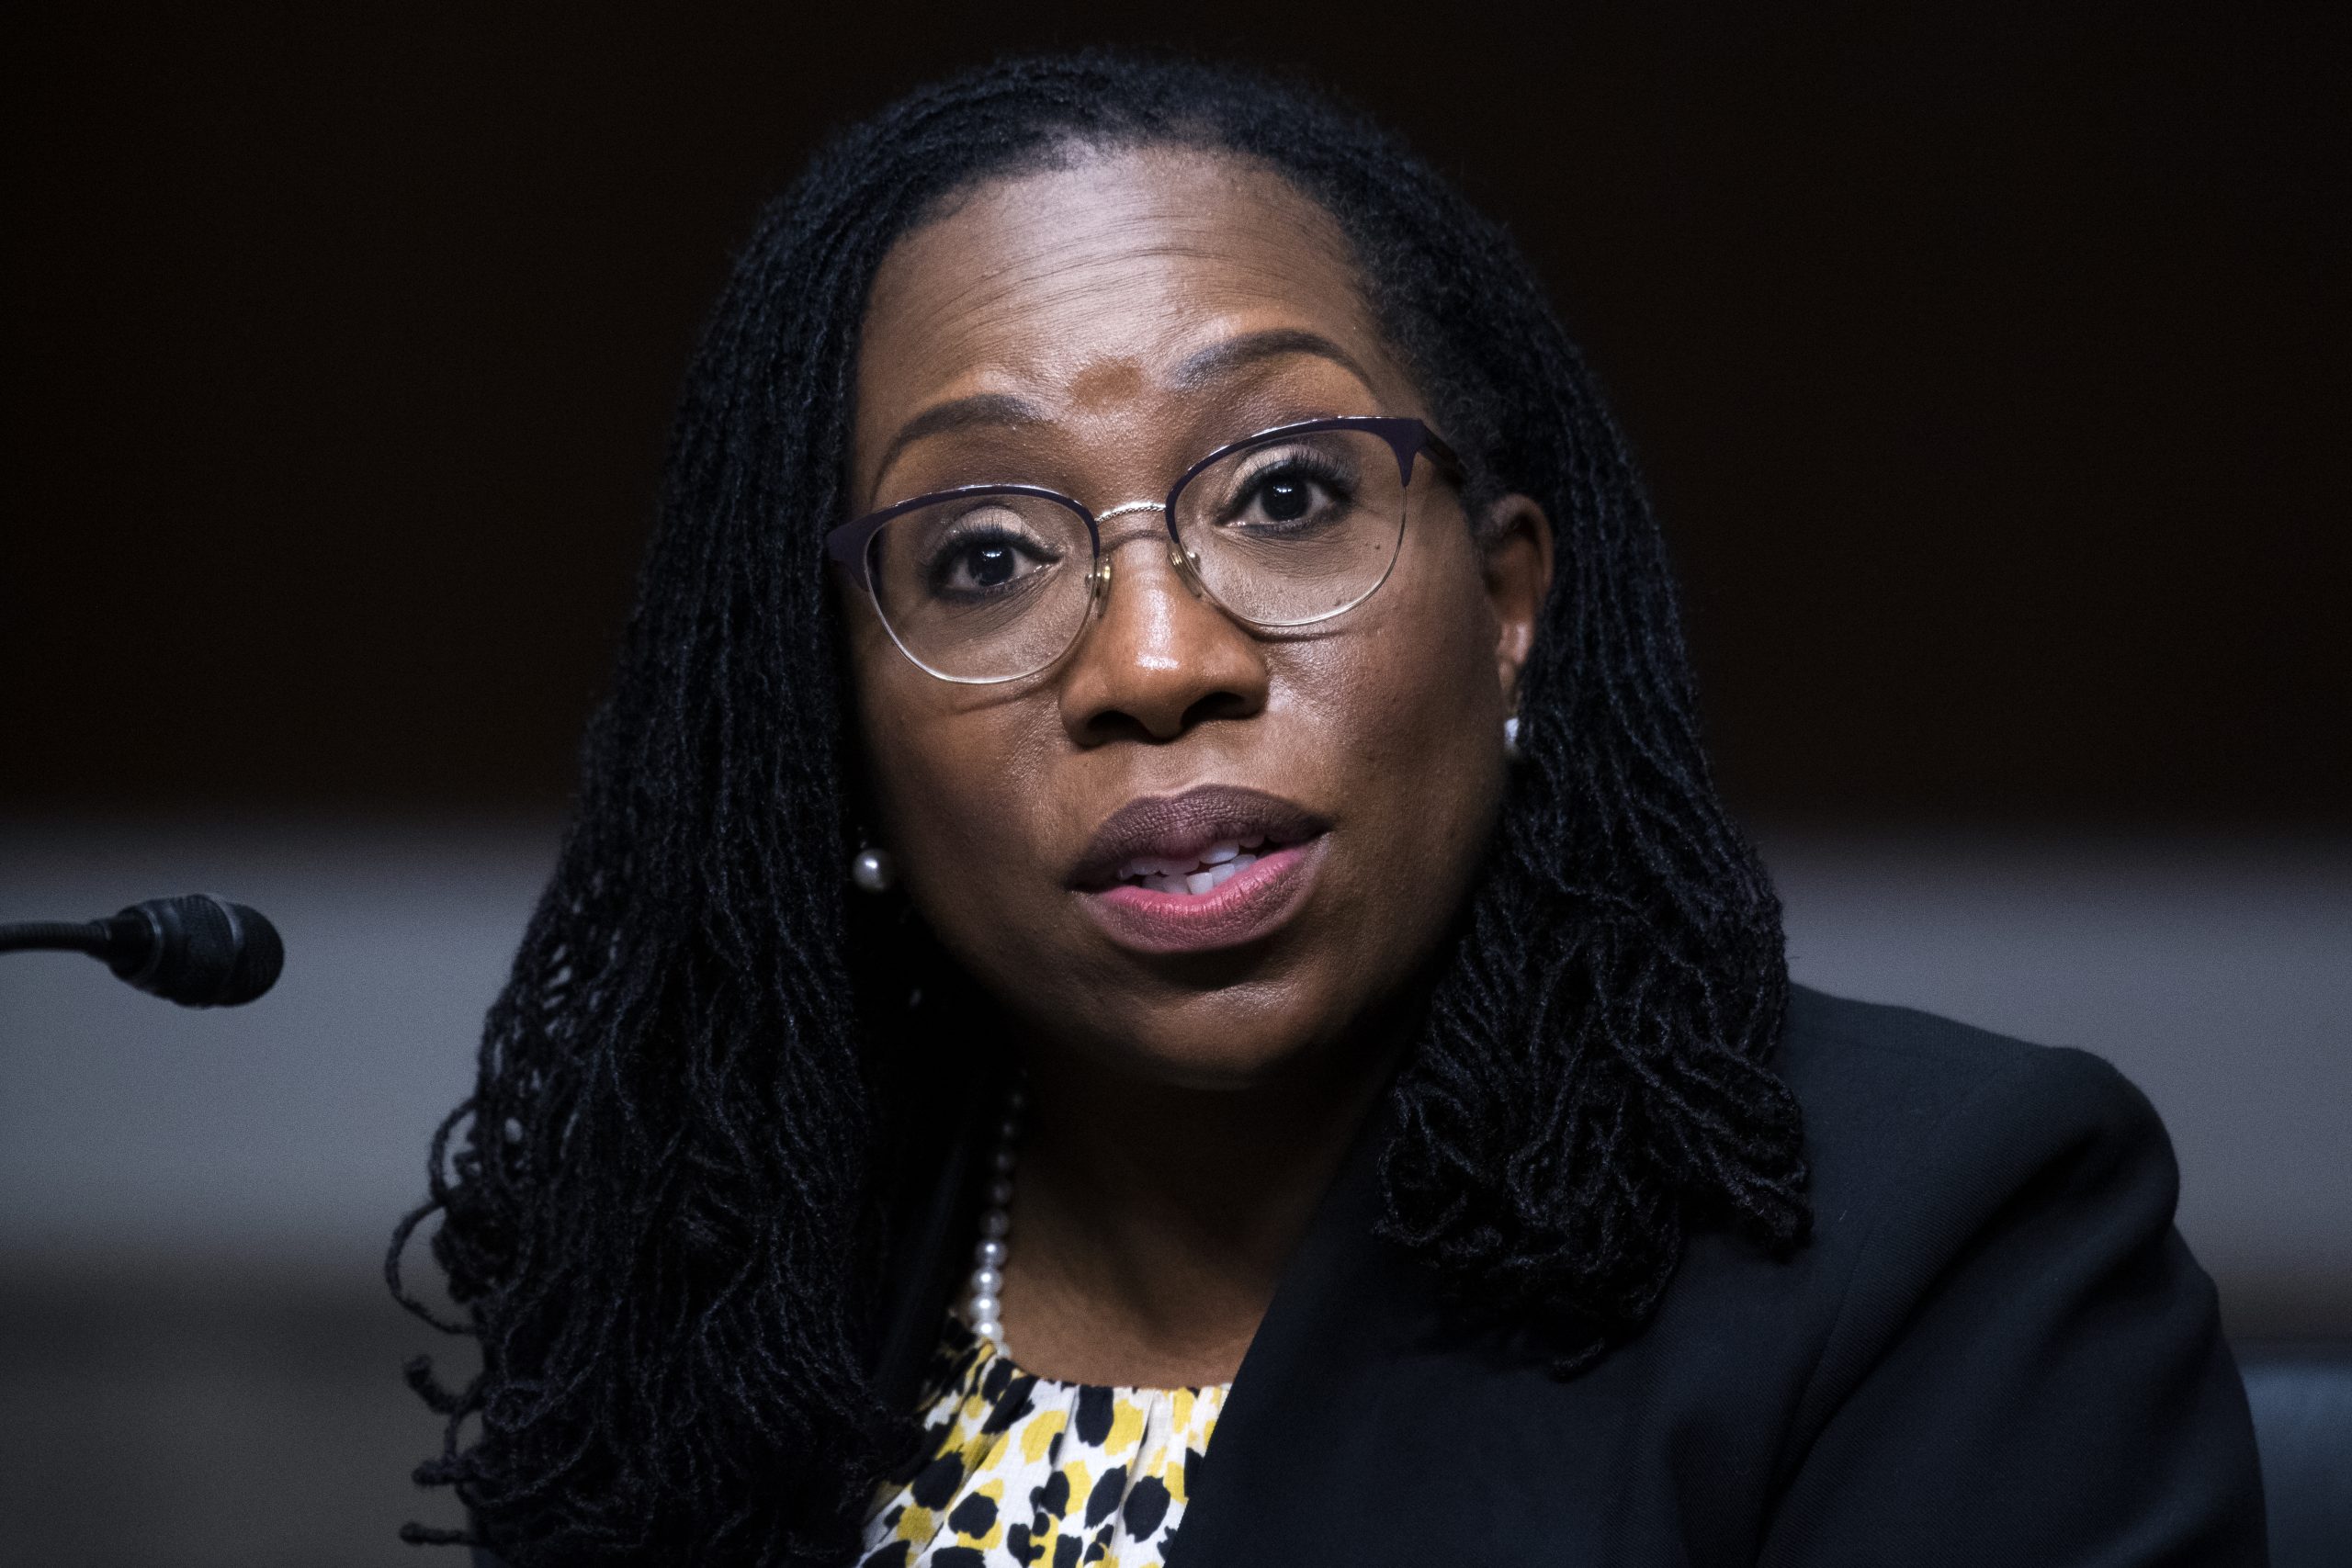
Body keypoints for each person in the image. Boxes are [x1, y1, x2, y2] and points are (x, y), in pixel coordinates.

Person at [392, 51, 2265, 1567]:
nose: (1151, 656)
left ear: (1508, 598)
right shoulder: (731, 1290)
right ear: (833, 720)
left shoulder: (1943, 1242)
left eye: (1283, 496)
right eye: (981, 552)